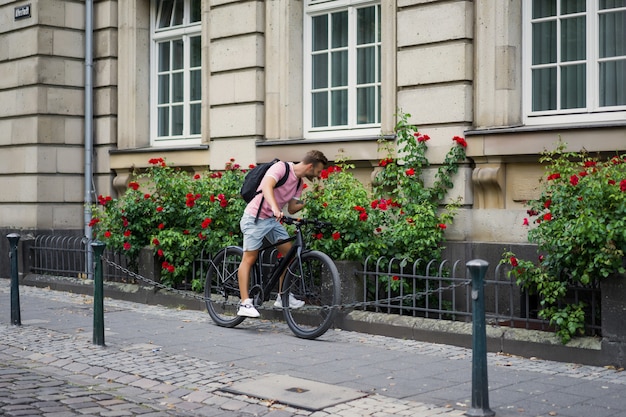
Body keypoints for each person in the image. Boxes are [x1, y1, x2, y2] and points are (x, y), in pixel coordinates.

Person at [237, 150, 328, 317]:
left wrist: (310, 199)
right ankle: (245, 303)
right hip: (255, 217)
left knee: (289, 254)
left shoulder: (299, 183)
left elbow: (293, 207)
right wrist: (274, 207)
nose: (318, 175)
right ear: (310, 166)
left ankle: (282, 296)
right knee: (249, 258)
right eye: (318, 171)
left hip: (272, 220)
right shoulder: (281, 168)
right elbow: (266, 186)